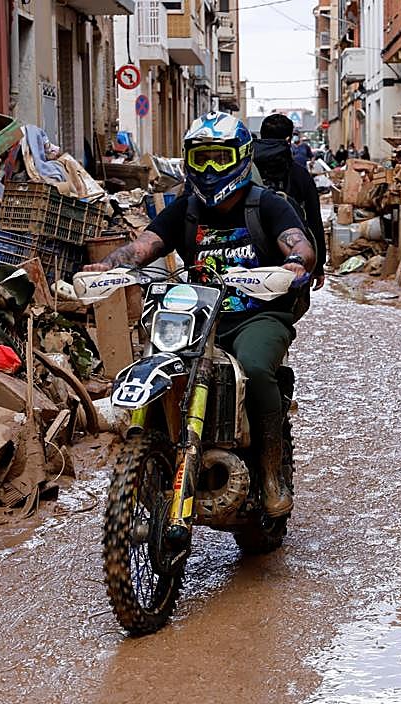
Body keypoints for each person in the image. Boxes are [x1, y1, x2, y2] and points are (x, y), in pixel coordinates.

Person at [82, 112, 316, 517]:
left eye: (219, 158)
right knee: (158, 363)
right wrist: (109, 265)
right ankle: (156, 453)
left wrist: (295, 263)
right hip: (197, 318)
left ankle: (270, 471)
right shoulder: (186, 210)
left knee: (255, 368)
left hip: (257, 316)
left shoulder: (268, 205)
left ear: (241, 157)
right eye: (200, 158)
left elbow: (298, 244)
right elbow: (144, 246)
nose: (209, 169)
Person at [254, 113, 327, 293]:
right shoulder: (300, 174)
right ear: (289, 139)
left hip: (249, 257)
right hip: (293, 260)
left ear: (262, 135)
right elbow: (314, 221)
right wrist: (318, 265)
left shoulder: (244, 171)